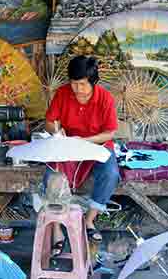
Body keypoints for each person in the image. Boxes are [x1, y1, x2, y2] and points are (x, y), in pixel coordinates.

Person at [45, 55, 120, 244]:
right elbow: (49, 122)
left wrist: (86, 141)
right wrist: (56, 131)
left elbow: (109, 133)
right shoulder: (62, 93)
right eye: (74, 83)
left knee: (111, 173)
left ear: (93, 82)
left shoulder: (105, 98)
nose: (78, 89)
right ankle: (56, 227)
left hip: (97, 144)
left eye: (83, 84)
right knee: (52, 176)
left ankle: (89, 221)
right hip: (69, 144)